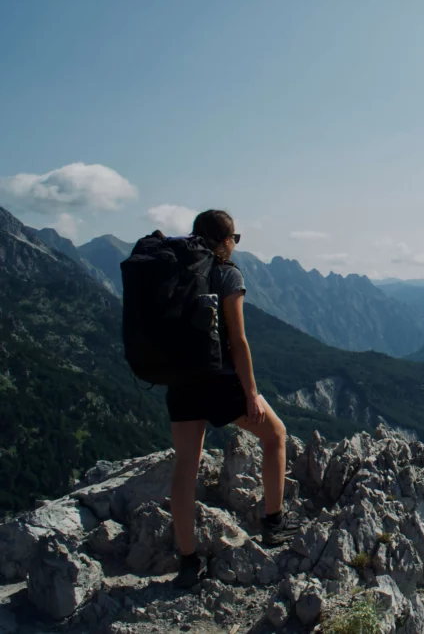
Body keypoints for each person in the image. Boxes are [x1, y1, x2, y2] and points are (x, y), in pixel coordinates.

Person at [167, 209, 297, 589]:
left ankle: (187, 562)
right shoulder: (227, 274)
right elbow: (238, 341)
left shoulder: (175, 270)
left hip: (181, 382)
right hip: (220, 381)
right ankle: (273, 523)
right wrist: (251, 394)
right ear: (225, 241)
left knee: (185, 468)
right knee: (275, 435)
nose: (235, 245)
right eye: (234, 239)